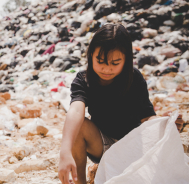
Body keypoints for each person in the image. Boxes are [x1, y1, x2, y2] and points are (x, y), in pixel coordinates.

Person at [58, 24, 184, 184]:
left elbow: (148, 117)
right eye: (100, 61)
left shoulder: (134, 78)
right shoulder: (84, 80)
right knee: (79, 124)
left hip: (133, 146)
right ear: (90, 55)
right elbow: (76, 110)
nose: (106, 68)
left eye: (115, 63)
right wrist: (65, 150)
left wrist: (163, 123)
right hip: (102, 145)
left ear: (126, 59)